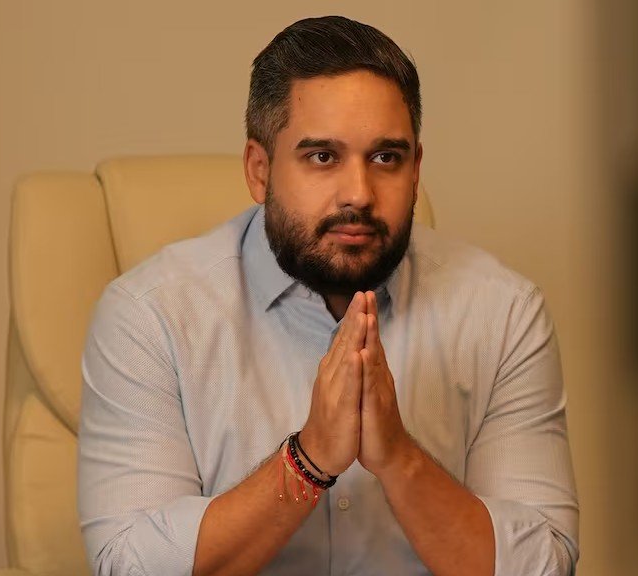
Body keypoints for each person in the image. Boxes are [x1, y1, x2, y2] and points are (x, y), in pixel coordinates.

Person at [77, 15, 579, 576]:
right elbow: (128, 565)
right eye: (322, 157)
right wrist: (307, 459)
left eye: (386, 158)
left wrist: (399, 459)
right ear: (259, 170)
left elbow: (546, 564)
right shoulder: (151, 316)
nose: (359, 194)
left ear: (416, 169)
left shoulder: (502, 314)